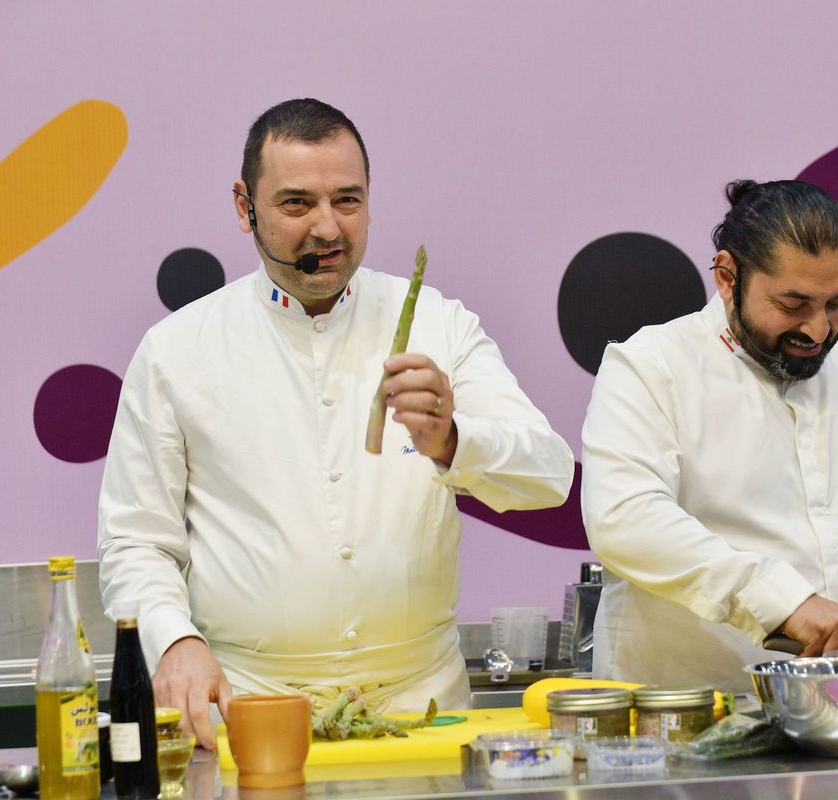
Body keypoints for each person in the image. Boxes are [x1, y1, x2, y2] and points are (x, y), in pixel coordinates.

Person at [98, 99, 574, 749]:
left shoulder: (440, 324)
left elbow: (547, 475)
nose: (327, 228)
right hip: (248, 706)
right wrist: (174, 641)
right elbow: (135, 540)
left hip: (422, 707)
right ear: (244, 206)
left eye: (347, 201)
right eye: (296, 203)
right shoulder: (176, 350)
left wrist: (454, 439)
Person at [580, 179, 838, 690]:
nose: (818, 330)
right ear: (727, 277)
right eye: (793, 305)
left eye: (837, 303)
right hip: (685, 707)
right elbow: (625, 519)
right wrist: (782, 601)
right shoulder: (651, 366)